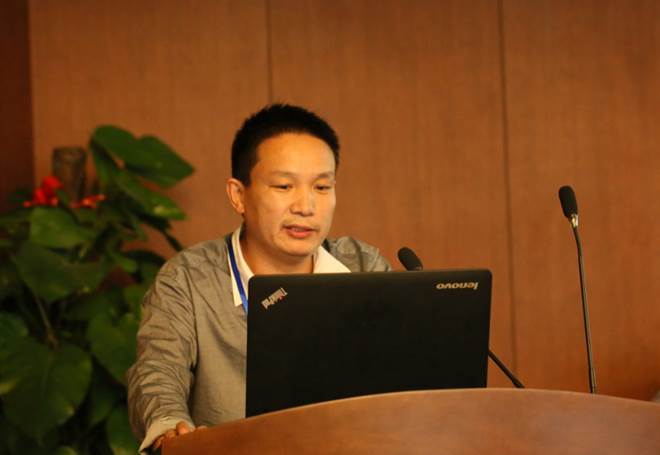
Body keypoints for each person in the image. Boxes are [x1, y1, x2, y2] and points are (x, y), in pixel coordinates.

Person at [126, 104, 391, 452]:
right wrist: (170, 429)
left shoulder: (363, 267)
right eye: (284, 186)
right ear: (239, 195)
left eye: (322, 187)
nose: (306, 206)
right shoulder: (188, 279)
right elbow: (157, 373)